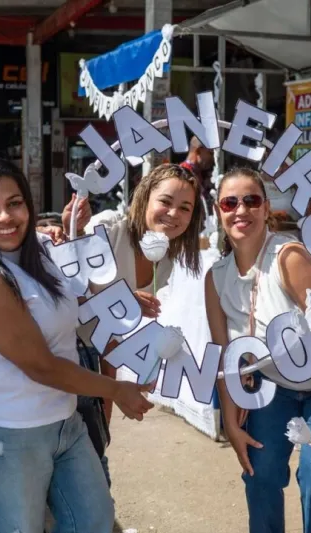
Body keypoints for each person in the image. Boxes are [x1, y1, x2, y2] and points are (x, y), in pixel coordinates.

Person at [0, 157, 154, 533]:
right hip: (6, 435)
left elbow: (70, 302)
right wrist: (115, 389)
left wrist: (122, 299)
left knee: (94, 520)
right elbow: (42, 366)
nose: (5, 217)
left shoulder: (39, 249)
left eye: (15, 203)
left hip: (65, 424)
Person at [206, 167, 311, 533]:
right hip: (276, 386)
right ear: (218, 211)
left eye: (251, 201)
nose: (241, 210)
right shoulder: (216, 277)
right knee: (259, 471)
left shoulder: (288, 257)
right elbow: (223, 357)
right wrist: (231, 422)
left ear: (266, 208)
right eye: (230, 203)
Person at [64, 162, 205, 487]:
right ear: (144, 198)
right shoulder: (109, 229)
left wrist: (108, 404)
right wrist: (74, 229)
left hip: (94, 362)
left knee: (93, 455)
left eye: (185, 208)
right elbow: (68, 287)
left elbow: (111, 334)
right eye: (165, 201)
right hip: (62, 358)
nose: (173, 213)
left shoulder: (165, 260)